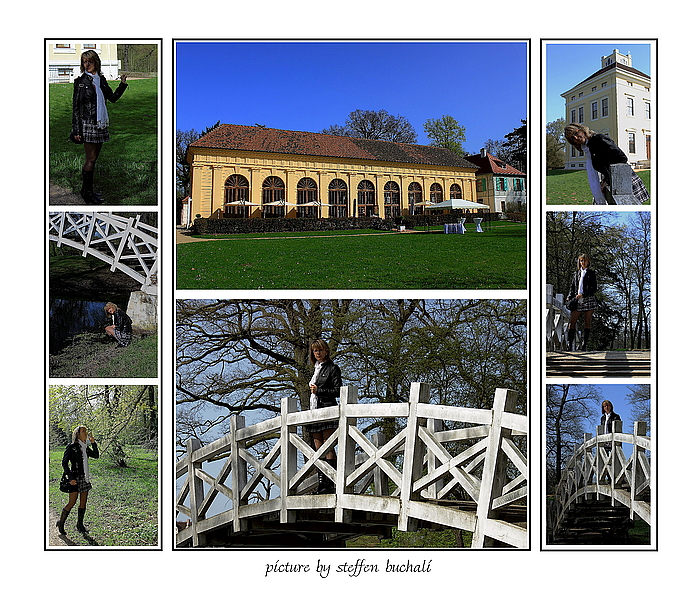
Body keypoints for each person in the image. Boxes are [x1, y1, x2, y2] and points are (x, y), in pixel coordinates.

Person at [71, 49, 128, 204]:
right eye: (84, 61)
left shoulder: (101, 80)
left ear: (96, 62)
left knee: (94, 159)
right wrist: (76, 130)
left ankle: (87, 190)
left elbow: (113, 98)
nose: (87, 64)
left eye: (90, 61)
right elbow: (76, 107)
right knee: (90, 158)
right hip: (88, 123)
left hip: (101, 123)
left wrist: (122, 85)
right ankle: (87, 194)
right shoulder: (81, 82)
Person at [564, 123, 648, 205]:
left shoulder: (599, 139)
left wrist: (608, 179)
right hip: (615, 181)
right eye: (572, 138)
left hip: (624, 179)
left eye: (576, 133)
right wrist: (606, 180)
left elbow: (621, 158)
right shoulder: (588, 148)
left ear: (582, 130)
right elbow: (604, 165)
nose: (576, 137)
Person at [307, 339, 342, 494]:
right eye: (315, 351)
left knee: (328, 446)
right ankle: (322, 483)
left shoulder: (332, 368)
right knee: (318, 448)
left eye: (320, 350)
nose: (318, 353)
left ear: (326, 351)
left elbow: (338, 390)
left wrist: (319, 391)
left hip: (328, 409)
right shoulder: (316, 369)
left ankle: (331, 482)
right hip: (315, 410)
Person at [56, 426, 99, 534]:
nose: (86, 432)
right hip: (75, 478)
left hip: (85, 477)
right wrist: (70, 478)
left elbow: (96, 455)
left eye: (86, 430)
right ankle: (61, 523)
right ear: (77, 433)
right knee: (72, 502)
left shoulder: (85, 446)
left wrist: (93, 443)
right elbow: (64, 463)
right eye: (83, 431)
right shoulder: (72, 446)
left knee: (83, 503)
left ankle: (80, 525)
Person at [564, 253, 597, 351]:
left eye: (585, 260)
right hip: (577, 299)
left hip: (588, 299)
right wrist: (569, 297)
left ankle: (584, 345)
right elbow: (572, 287)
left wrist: (584, 294)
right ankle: (570, 345)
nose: (583, 262)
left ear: (588, 261)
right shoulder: (576, 274)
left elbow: (594, 288)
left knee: (587, 321)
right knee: (572, 321)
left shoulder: (591, 274)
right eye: (581, 260)